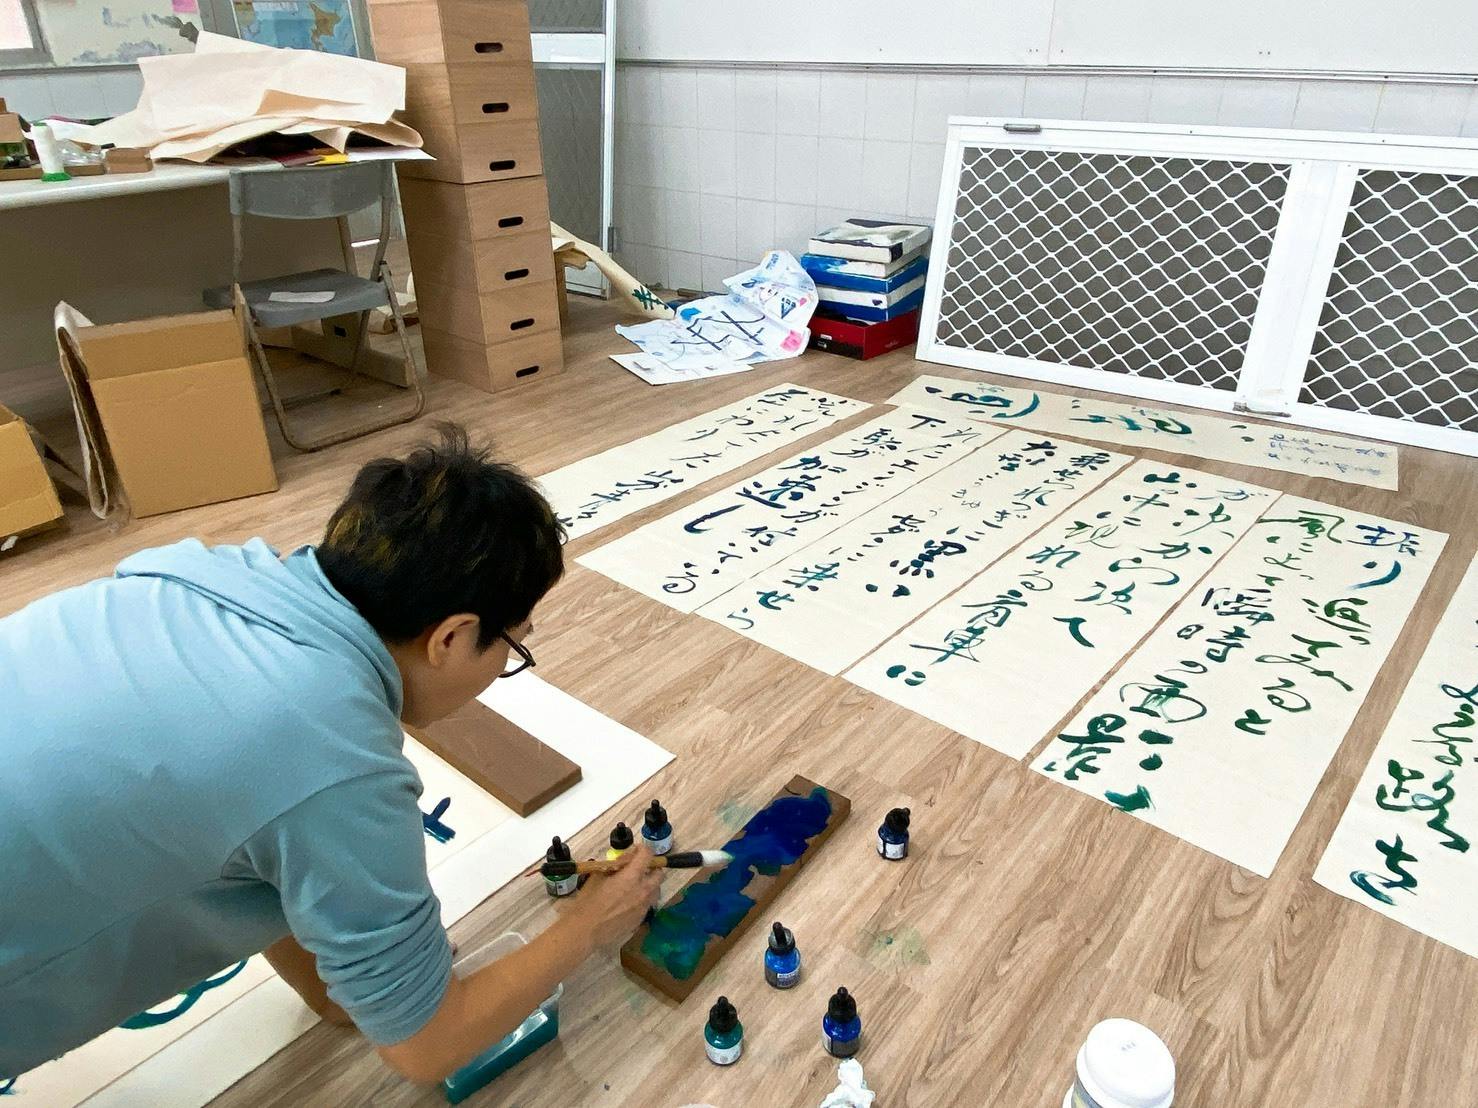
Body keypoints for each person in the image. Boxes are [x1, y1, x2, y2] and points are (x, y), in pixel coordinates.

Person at [0, 427, 661, 1084]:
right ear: (453, 637)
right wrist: (586, 926)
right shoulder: (334, 760)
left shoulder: (204, 572)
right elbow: (427, 1050)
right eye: (513, 646)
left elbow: (256, 827)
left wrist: (347, 989)